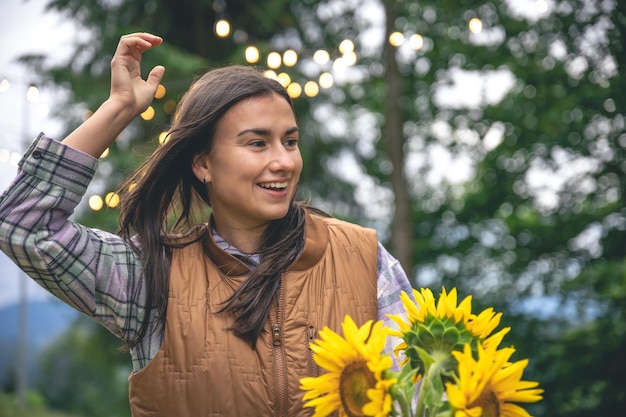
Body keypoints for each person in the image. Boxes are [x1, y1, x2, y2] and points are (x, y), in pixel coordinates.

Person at [0, 32, 414, 416]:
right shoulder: (150, 276)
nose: (284, 161)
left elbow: (417, 400)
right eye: (257, 143)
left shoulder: (363, 258)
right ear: (202, 164)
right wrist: (119, 108)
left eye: (290, 141)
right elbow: (23, 224)